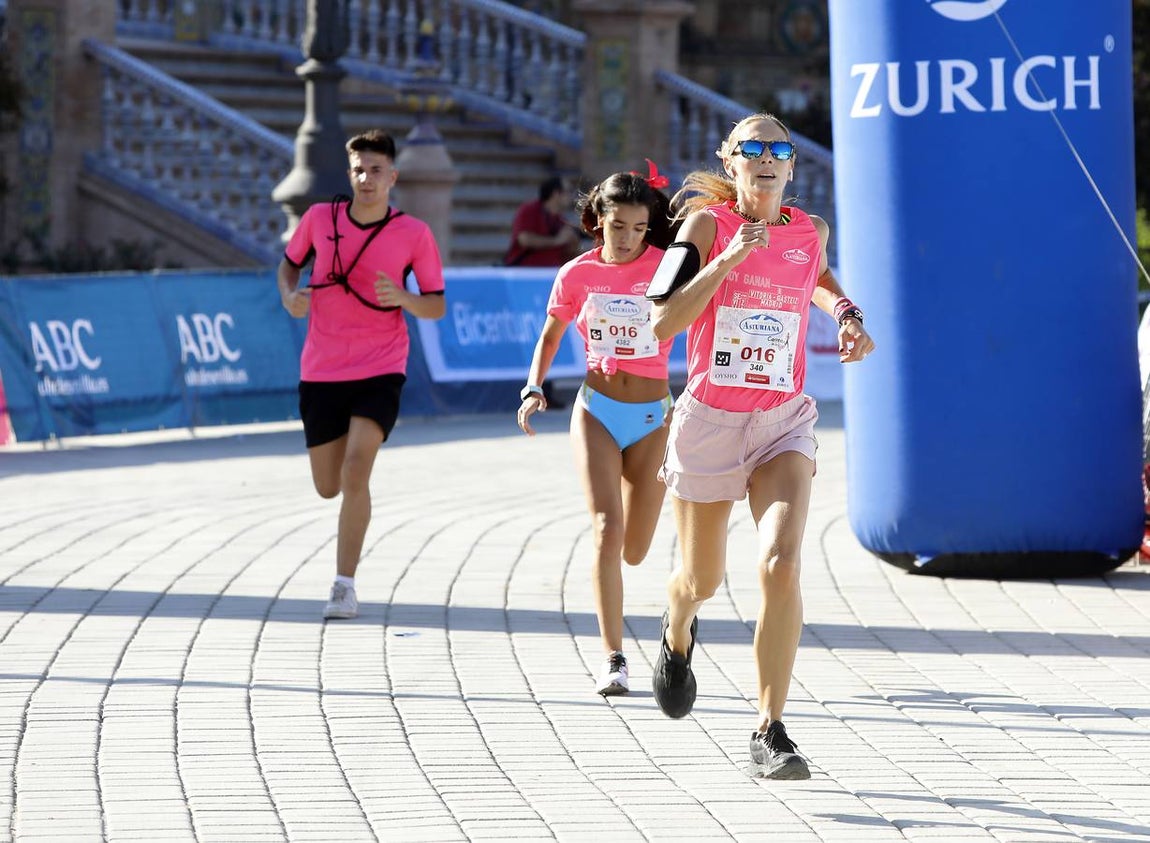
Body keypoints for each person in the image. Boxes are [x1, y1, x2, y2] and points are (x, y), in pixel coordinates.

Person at [648, 114, 874, 778]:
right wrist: (728, 260)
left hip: (782, 422)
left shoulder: (810, 230)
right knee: (703, 579)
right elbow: (662, 319)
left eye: (779, 148)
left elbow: (818, 277)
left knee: (780, 564)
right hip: (709, 422)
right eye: (753, 147)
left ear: (791, 164)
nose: (767, 157)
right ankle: (677, 626)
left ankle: (769, 729)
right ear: (731, 160)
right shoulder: (704, 227)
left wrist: (848, 314)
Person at [517, 164, 675, 696]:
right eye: (618, 227)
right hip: (596, 411)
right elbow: (550, 335)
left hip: (653, 419)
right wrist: (533, 387)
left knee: (635, 550)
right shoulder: (577, 274)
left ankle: (672, 619)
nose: (628, 238)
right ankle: (614, 657)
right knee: (607, 530)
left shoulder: (668, 267)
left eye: (639, 227)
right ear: (598, 221)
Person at [277, 130, 446, 620]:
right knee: (328, 485)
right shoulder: (318, 219)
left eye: (375, 170)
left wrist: (404, 298)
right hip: (322, 367)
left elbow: (436, 305)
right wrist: (289, 297)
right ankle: (345, 565)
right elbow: (288, 268)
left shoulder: (414, 233)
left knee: (356, 470)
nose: (366, 178)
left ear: (392, 176)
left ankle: (343, 586)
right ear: (349, 174)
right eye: (358, 170)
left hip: (381, 366)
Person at [504, 176, 581, 267]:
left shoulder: (561, 220)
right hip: (526, 271)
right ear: (556, 193)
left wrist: (573, 245)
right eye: (569, 191)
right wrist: (556, 240)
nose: (572, 196)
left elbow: (567, 255)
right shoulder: (530, 210)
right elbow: (524, 240)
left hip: (551, 271)